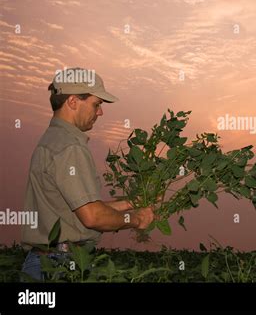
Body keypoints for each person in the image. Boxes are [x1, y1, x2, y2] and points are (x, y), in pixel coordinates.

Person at [21, 67, 155, 281]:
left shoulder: (52, 140)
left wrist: (130, 203)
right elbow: (93, 216)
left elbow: (76, 209)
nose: (100, 112)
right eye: (96, 104)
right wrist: (137, 219)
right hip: (59, 265)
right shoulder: (69, 147)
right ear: (73, 102)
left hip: (47, 262)